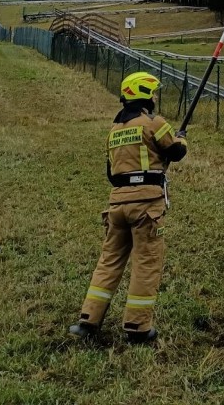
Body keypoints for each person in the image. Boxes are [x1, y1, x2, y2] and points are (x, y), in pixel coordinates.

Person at [68, 71, 187, 344]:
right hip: (146, 205)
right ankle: (137, 326)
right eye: (153, 92)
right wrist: (181, 137)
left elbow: (111, 173)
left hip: (117, 204)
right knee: (146, 262)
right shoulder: (154, 122)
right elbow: (177, 153)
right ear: (144, 94)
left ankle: (88, 320)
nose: (155, 97)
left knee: (108, 261)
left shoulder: (114, 129)